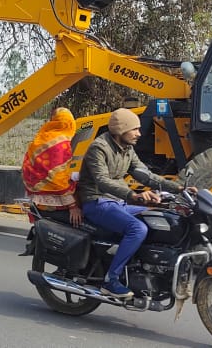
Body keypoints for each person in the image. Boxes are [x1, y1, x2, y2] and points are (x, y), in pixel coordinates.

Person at [76, 108, 194, 299]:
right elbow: (102, 181)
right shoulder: (99, 148)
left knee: (160, 217)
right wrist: (133, 195)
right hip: (98, 202)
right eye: (135, 129)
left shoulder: (127, 149)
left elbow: (145, 175)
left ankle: (141, 268)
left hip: (118, 202)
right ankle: (111, 280)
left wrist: (179, 189)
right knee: (137, 229)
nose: (139, 133)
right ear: (121, 130)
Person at [22, 107, 82, 227]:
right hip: (55, 200)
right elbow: (57, 178)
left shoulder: (40, 138)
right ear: (69, 124)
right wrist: (72, 206)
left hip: (35, 195)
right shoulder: (62, 144)